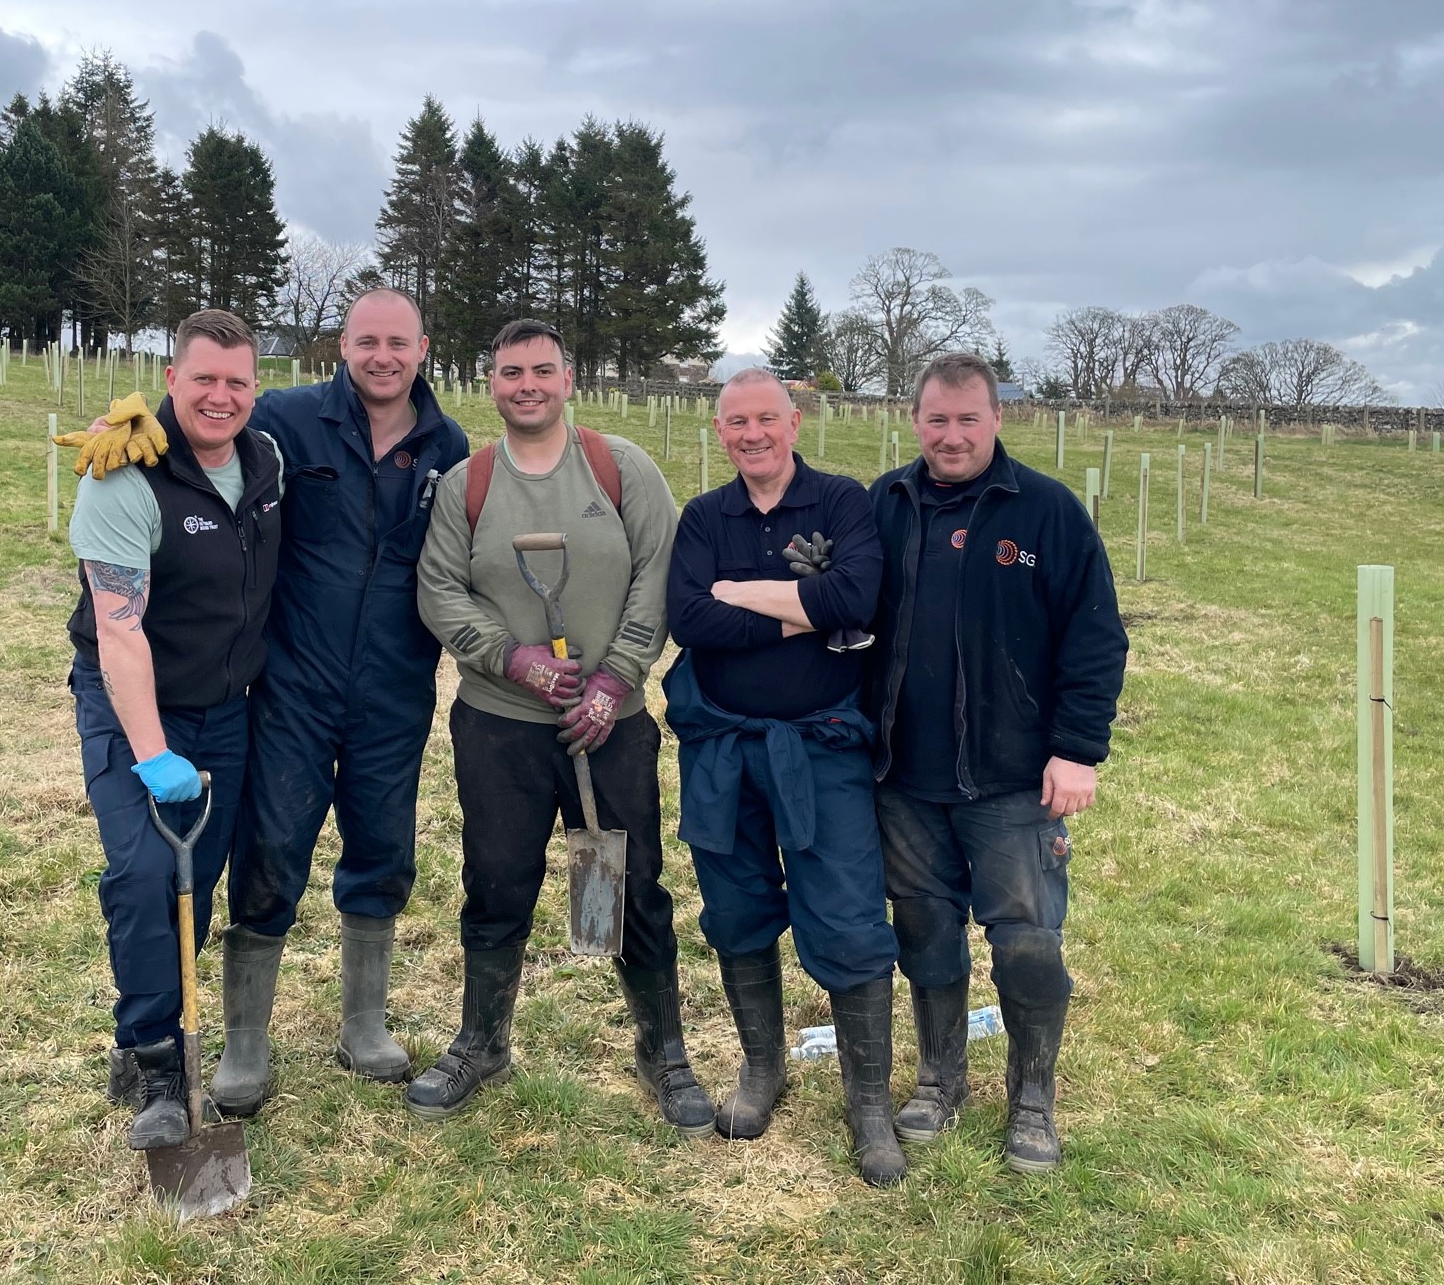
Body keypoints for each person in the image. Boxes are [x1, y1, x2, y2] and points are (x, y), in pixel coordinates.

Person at [410, 318, 712, 1133]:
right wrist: (510, 658)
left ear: (568, 378)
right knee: (497, 881)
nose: (527, 385)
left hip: (608, 730)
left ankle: (662, 1051)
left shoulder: (621, 470)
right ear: (492, 382)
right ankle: (484, 1042)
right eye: (511, 372)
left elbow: (660, 575)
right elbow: (440, 591)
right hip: (499, 728)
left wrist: (613, 681)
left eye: (542, 370)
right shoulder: (467, 484)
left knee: (624, 887)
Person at [209, 288, 470, 1117]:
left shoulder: (448, 446)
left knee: (384, 844)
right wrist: (133, 428)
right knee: (273, 840)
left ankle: (364, 1022)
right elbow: (203, 432)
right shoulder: (286, 420)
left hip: (396, 685)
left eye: (398, 342)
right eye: (367, 341)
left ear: (423, 348)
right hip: (293, 680)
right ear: (343, 346)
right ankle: (245, 1039)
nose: (382, 356)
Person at [867, 352, 1127, 1173]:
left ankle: (1033, 1096)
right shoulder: (887, 504)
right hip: (904, 776)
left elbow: (1095, 637)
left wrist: (1077, 751)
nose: (951, 436)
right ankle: (941, 1076)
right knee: (926, 930)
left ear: (996, 419)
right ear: (915, 421)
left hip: (1014, 779)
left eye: (967, 419)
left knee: (1026, 941)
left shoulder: (1046, 513)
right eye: (936, 420)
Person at [663, 368, 905, 1186]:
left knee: (845, 912)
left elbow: (857, 598)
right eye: (737, 422)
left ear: (794, 421)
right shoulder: (704, 516)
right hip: (721, 750)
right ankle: (762, 1069)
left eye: (767, 419)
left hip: (822, 748)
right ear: (721, 430)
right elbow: (688, 617)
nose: (753, 434)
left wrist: (745, 596)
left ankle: (868, 1103)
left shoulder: (842, 502)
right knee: (735, 910)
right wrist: (803, 607)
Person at [64, 309, 283, 1149]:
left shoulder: (267, 461)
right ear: (170, 382)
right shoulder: (125, 473)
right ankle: (156, 1063)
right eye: (203, 381)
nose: (220, 398)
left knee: (200, 877)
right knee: (146, 869)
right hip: (132, 703)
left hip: (228, 708)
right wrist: (152, 753)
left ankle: (162, 1023)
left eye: (237, 382)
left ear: (255, 388)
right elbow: (119, 630)